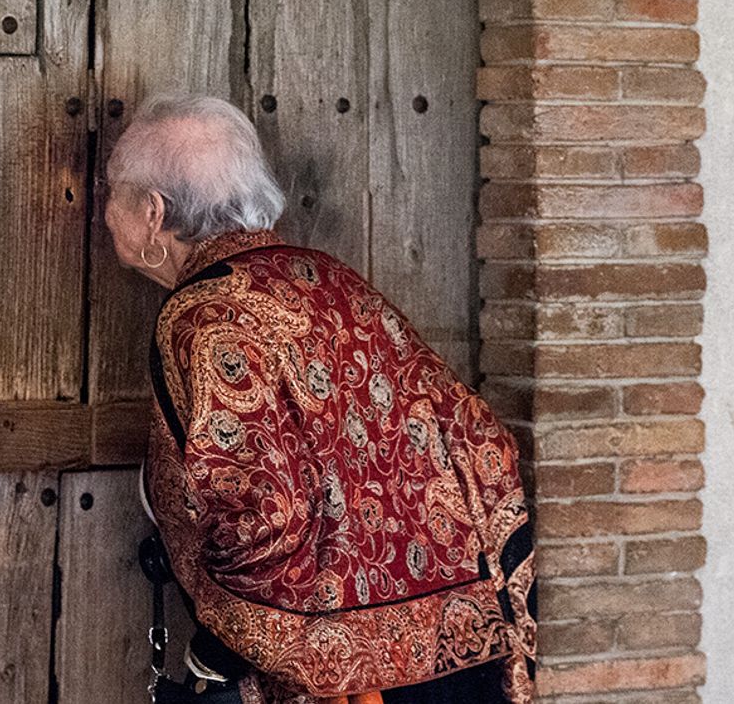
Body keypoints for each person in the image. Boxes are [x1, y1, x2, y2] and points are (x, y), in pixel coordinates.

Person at [103, 94, 537, 704]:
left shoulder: (204, 319)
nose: (104, 210)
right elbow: (481, 441)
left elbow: (264, 510)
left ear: (153, 212)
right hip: (460, 654)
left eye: (113, 191)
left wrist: (219, 652)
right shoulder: (329, 278)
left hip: (337, 684)